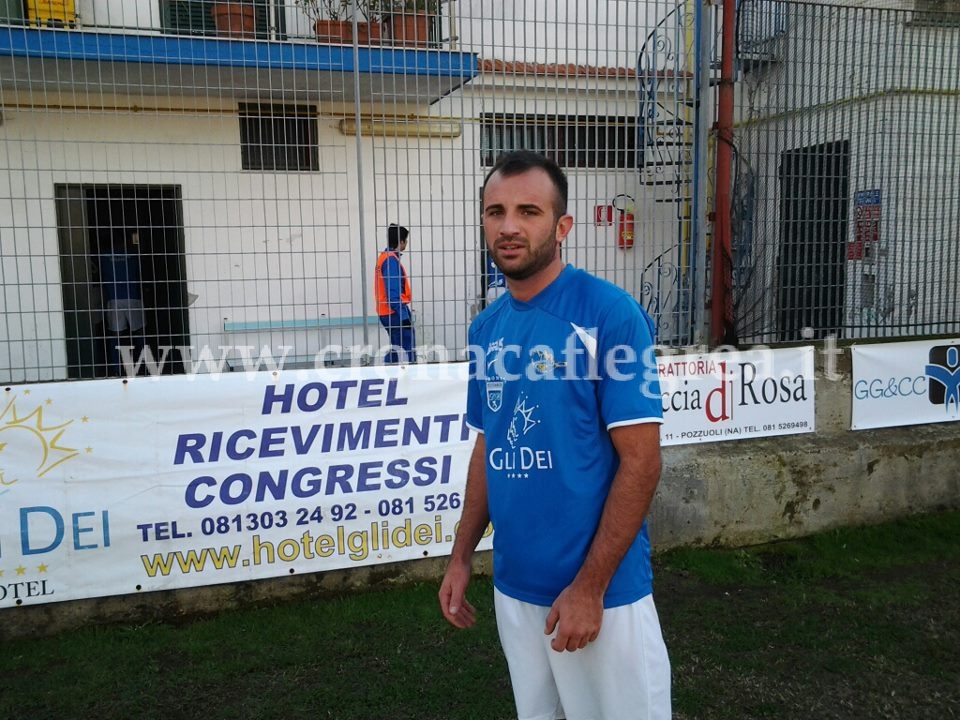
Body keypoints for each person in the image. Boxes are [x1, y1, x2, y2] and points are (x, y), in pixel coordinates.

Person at [439, 150, 671, 720]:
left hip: (602, 597)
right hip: (516, 591)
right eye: (495, 211)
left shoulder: (610, 315)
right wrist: (462, 555)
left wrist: (591, 586)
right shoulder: (486, 327)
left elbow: (642, 463)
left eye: (528, 211)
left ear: (562, 226)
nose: (509, 226)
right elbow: (490, 447)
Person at [374, 223, 415, 364]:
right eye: (406, 240)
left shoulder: (385, 257)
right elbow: (393, 293)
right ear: (401, 241)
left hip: (387, 311)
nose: (407, 243)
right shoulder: (391, 261)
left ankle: (388, 371)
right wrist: (404, 317)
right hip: (394, 312)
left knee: (397, 347)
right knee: (405, 348)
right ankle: (405, 377)